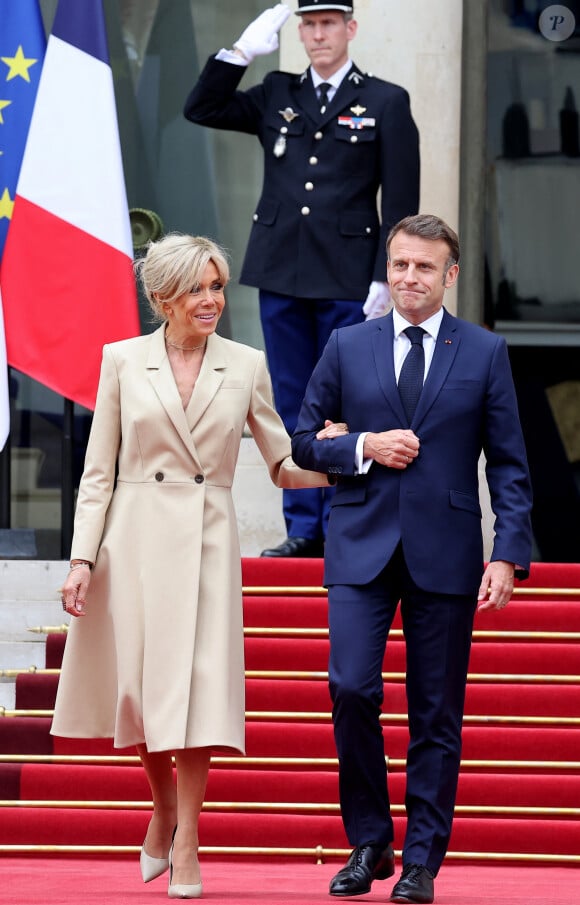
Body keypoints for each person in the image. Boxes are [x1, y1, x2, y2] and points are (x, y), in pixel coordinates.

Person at [51, 234, 338, 900]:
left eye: (217, 286)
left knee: (200, 696)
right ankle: (162, 807)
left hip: (208, 541)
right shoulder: (121, 360)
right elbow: (98, 474)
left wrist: (344, 460)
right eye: (198, 289)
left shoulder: (245, 365)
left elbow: (280, 462)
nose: (212, 300)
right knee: (143, 698)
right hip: (135, 538)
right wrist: (80, 559)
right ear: (163, 298)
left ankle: (187, 841)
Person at [292, 214, 532, 903]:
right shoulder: (346, 343)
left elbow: (511, 465)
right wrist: (363, 445)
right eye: (399, 264)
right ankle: (370, 839)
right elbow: (303, 439)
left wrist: (507, 552)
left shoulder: (485, 351)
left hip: (448, 552)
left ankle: (423, 857)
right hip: (359, 545)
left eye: (424, 267)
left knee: (435, 713)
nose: (409, 277)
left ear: (449, 275)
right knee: (350, 687)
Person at [184, 1, 420, 558]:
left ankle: (346, 522)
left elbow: (401, 200)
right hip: (283, 272)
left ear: (349, 29)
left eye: (328, 24)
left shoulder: (385, 100)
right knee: (291, 400)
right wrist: (239, 53)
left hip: (347, 277)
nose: (317, 35)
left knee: (351, 399)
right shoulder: (277, 92)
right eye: (308, 25)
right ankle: (304, 527)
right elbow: (203, 107)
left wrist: (386, 276)